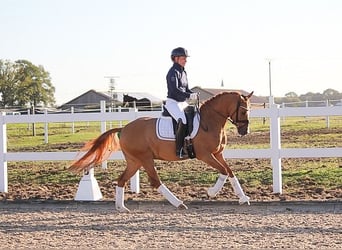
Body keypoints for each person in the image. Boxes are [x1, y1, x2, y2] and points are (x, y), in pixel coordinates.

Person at [165, 47, 198, 158]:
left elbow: (186, 89)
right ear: (176, 58)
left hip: (182, 103)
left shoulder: (183, 72)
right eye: (183, 58)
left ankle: (189, 143)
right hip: (173, 102)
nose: (185, 60)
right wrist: (189, 95)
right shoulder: (172, 72)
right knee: (183, 120)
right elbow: (175, 90)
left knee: (193, 116)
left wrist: (193, 93)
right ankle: (179, 149)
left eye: (185, 58)